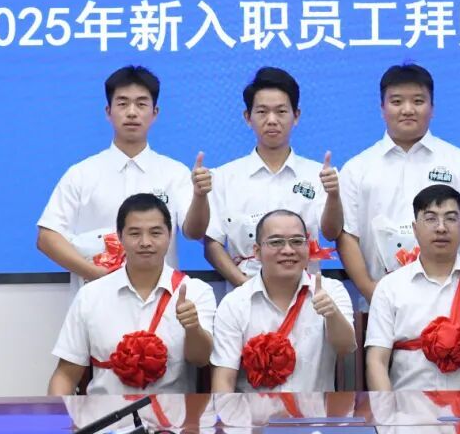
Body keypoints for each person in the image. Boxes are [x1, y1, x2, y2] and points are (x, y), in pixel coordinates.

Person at [36, 66, 209, 293]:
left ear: (155, 113)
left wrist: (200, 196)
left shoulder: (174, 173)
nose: (132, 112)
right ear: (108, 112)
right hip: (96, 297)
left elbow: (194, 232)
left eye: (141, 104)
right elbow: (47, 237)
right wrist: (98, 276)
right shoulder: (81, 173)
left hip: (160, 300)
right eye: (123, 103)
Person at [337, 63, 460, 305]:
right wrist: (371, 291)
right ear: (382, 108)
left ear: (432, 108)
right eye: (397, 101)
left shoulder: (459, 161)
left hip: (446, 299)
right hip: (378, 299)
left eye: (418, 101)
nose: (408, 110)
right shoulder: (357, 168)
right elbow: (347, 235)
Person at [47, 193, 216, 395]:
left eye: (155, 233)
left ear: (170, 235)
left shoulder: (196, 292)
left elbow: (201, 359)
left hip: (172, 414)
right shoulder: (90, 296)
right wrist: (55, 414)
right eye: (135, 234)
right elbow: (66, 375)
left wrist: (193, 327)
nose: (145, 242)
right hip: (105, 413)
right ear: (119, 237)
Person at [364, 185, 460, 391]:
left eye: (450, 218)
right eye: (431, 219)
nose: (441, 228)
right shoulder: (390, 287)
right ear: (415, 229)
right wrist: (387, 409)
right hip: (409, 408)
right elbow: (376, 361)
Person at [201, 67, 343, 286]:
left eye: (281, 111)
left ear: (296, 116)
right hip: (244, 294)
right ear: (248, 118)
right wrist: (247, 288)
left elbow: (332, 233)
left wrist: (334, 195)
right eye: (262, 112)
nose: (272, 120)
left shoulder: (319, 175)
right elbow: (212, 244)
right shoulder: (223, 178)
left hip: (306, 295)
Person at [210, 209, 355, 392]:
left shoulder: (331, 290)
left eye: (297, 241)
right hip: (254, 410)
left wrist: (332, 314)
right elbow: (224, 380)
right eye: (276, 242)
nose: (288, 250)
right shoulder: (235, 303)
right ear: (257, 252)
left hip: (315, 409)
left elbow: (346, 348)